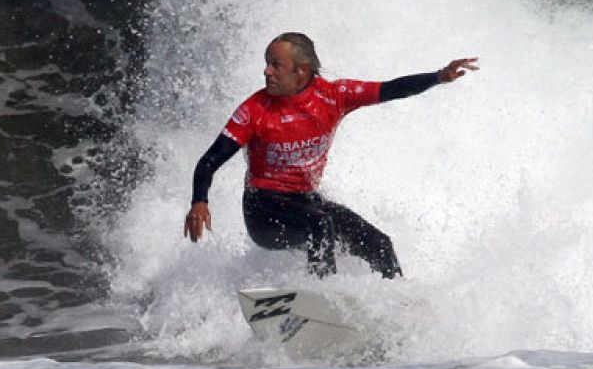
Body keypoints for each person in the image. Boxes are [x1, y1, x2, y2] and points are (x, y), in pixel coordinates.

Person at [183, 33, 477, 278]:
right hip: (263, 211)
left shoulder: (335, 96)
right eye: (267, 64)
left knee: (378, 243)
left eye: (275, 65)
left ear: (301, 70)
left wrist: (439, 76)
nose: (266, 72)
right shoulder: (254, 110)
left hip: (306, 201)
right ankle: (323, 298)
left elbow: (391, 89)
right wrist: (199, 201)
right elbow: (210, 160)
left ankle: (400, 304)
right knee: (320, 224)